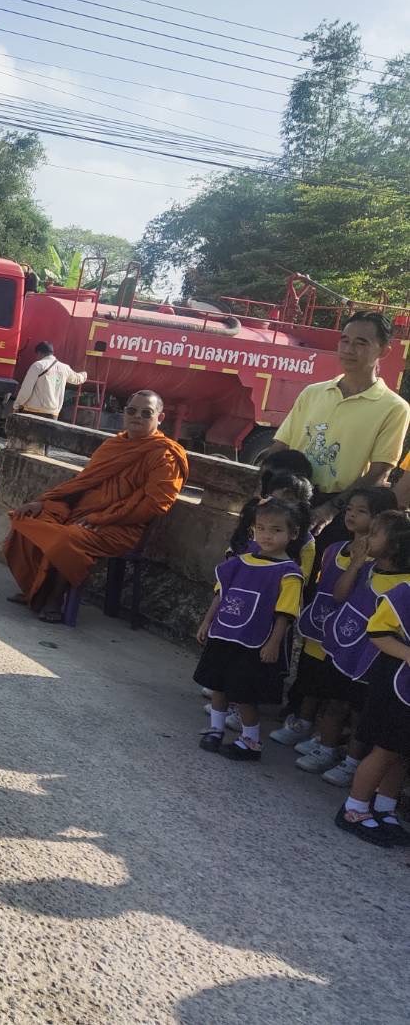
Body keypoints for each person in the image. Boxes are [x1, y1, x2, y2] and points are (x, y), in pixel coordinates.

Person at [5, 390, 188, 623]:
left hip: (121, 526)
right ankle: (34, 589)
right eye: (131, 410)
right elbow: (83, 482)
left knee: (68, 538)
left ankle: (54, 599)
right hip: (82, 514)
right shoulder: (113, 444)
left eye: (146, 413)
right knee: (27, 518)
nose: (137, 417)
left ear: (159, 418)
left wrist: (102, 518)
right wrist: (42, 501)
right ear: (124, 413)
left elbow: (155, 505)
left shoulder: (165, 455)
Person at [260, 311, 409, 537]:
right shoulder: (313, 393)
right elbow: (280, 446)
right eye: (345, 340)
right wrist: (261, 490)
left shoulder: (394, 407)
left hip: (339, 511)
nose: (349, 349)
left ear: (384, 350)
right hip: (290, 499)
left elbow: (378, 472)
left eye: (361, 343)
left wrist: (330, 510)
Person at [277, 486, 398, 756]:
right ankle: (303, 724)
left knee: (341, 697)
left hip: (350, 638)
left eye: (362, 511)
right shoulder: (333, 549)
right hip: (319, 627)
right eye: (349, 509)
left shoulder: (376, 564)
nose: (351, 515)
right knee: (311, 680)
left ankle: (331, 744)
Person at [295, 504, 410, 786]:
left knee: (360, 714)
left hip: (372, 659)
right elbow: (339, 594)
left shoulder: (404, 584)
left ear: (394, 546)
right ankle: (327, 746)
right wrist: (356, 564)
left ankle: (351, 763)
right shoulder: (366, 569)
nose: (366, 539)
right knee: (334, 701)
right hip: (345, 647)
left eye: (374, 534)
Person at [194, 497, 307, 761]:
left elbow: (285, 614)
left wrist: (273, 644)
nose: (267, 535)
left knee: (244, 694)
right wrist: (207, 621)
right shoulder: (240, 561)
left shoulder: (289, 573)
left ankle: (251, 740)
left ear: (293, 533)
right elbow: (221, 594)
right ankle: (216, 728)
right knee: (218, 685)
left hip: (255, 642)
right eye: (261, 528)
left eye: (276, 530)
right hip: (225, 633)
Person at [334, 510, 410, 847]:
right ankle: (354, 807)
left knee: (401, 751)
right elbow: (377, 631)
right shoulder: (405, 592)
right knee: (383, 749)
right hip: (395, 681)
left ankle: (385, 807)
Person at [11, 342, 86, 419]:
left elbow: (26, 389)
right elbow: (77, 379)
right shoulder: (65, 368)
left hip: (32, 411)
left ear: (39, 353)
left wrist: (16, 405)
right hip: (52, 414)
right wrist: (84, 375)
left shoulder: (38, 365)